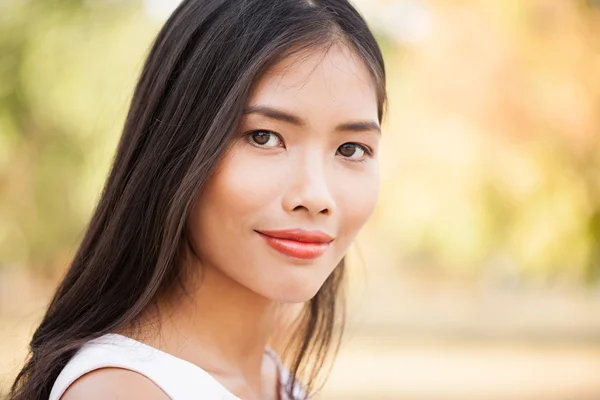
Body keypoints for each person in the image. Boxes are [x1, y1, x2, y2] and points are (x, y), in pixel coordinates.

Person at [9, 0, 387, 398]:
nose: (315, 196)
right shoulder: (122, 390)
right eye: (264, 137)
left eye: (351, 149)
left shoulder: (276, 382)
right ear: (176, 147)